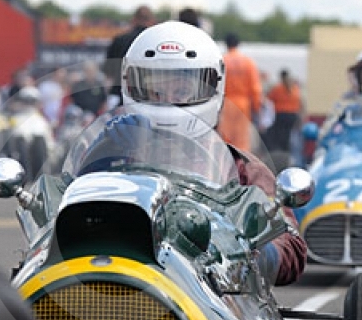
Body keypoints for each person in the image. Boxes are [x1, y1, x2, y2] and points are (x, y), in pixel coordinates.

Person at [116, 21, 306, 285]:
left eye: (183, 90)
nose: (169, 98)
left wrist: (257, 255)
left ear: (213, 86)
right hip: (116, 286)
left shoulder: (243, 168)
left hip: (210, 295)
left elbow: (291, 243)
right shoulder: (111, 157)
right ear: (130, 84)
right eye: (156, 90)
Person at [217, 32, 262, 153]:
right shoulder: (248, 63)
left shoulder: (222, 61)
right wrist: (257, 109)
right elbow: (255, 88)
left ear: (226, 44)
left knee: (225, 139)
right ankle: (241, 166)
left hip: (226, 104)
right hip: (243, 104)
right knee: (241, 140)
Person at [103, 5, 156, 107]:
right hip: (148, 99)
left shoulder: (119, 40)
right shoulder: (154, 42)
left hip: (118, 95)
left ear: (133, 19)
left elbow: (108, 75)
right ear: (151, 21)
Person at [266, 69, 303, 152]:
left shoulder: (277, 88)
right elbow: (300, 102)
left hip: (281, 115)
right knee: (290, 134)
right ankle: (288, 150)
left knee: (280, 133)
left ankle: (281, 150)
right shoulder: (295, 88)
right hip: (292, 115)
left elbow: (269, 99)